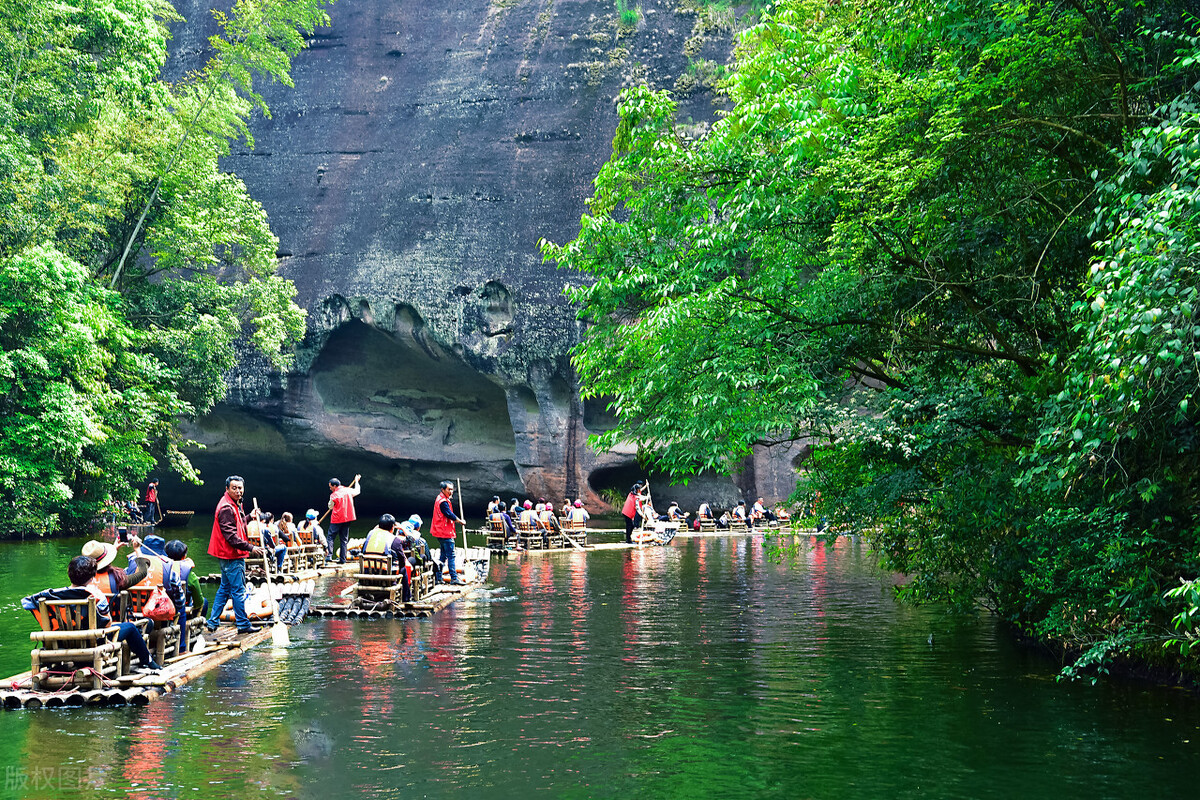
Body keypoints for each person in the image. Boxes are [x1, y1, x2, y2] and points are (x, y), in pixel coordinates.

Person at [23, 556, 162, 671]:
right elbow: (107, 624)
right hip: (93, 642)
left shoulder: (53, 596)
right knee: (131, 628)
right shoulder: (95, 595)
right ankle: (147, 661)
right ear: (92, 576)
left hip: (59, 642)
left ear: (69, 573)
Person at [206, 475, 266, 635]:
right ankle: (242, 624)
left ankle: (212, 622)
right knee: (239, 591)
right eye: (234, 488)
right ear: (227, 489)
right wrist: (251, 547)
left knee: (224, 588)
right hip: (231, 555)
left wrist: (250, 516)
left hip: (226, 555)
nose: (238, 491)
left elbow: (237, 523)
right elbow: (231, 536)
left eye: (240, 488)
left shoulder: (232, 504)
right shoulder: (226, 507)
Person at [79, 538, 152, 607]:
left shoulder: (79, 579)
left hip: (87, 620)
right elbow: (143, 572)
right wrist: (137, 549)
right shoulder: (118, 579)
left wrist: (114, 548)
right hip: (112, 619)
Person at [431, 480, 466, 584]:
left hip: (440, 531)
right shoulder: (443, 502)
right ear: (443, 489)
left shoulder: (441, 498)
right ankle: (454, 578)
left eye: (452, 489)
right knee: (451, 555)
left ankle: (438, 578)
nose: (451, 491)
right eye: (449, 489)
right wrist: (460, 521)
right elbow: (449, 514)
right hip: (444, 532)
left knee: (443, 555)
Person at [328, 475, 362, 563]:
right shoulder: (348, 490)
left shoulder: (333, 495)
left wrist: (332, 504)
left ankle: (329, 555)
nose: (330, 488)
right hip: (347, 518)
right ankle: (342, 559)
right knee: (344, 539)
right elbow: (357, 491)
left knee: (331, 537)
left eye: (330, 486)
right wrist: (356, 481)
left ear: (335, 486)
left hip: (336, 519)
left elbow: (330, 507)